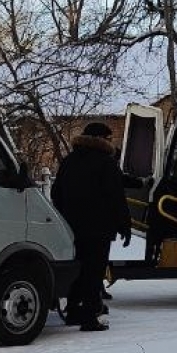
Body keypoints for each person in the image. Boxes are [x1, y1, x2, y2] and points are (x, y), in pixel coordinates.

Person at [51, 122, 132, 332]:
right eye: (108, 137)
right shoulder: (106, 163)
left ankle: (72, 310)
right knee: (93, 271)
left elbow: (56, 193)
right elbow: (115, 197)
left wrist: (65, 216)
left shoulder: (69, 161)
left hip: (71, 228)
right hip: (99, 228)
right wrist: (124, 224)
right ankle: (89, 317)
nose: (110, 141)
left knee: (77, 269)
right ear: (101, 139)